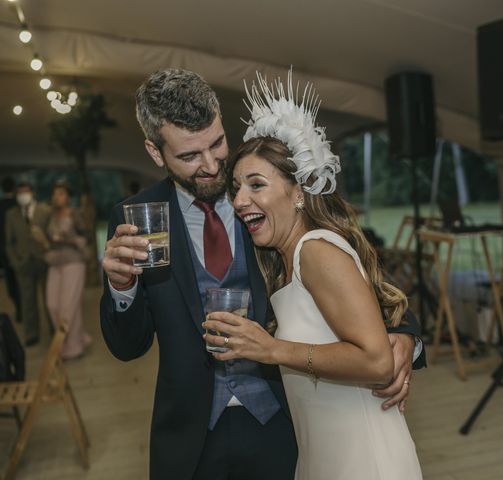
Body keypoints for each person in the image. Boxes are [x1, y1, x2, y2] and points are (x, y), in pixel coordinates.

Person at [100, 68, 424, 480]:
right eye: (188, 156)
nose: (211, 165)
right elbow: (128, 346)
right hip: (191, 436)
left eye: (217, 143)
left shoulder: (266, 197)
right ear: (154, 151)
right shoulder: (138, 221)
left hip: (285, 423)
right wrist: (121, 287)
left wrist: (403, 337)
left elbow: (360, 277)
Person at [204, 72, 423, 479]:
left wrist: (271, 350)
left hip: (360, 457)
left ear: (299, 191)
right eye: (235, 188)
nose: (239, 200)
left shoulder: (316, 250)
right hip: (322, 449)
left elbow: (376, 361)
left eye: (256, 184)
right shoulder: (281, 257)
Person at [44, 182, 92, 359]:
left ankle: (73, 346)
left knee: (68, 306)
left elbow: (86, 237)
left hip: (73, 261)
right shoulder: (51, 216)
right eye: (55, 194)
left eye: (61, 194)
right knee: (52, 304)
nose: (57, 197)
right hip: (55, 262)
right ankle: (74, 338)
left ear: (68, 197)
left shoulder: (75, 214)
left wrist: (68, 239)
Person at [5, 181, 50, 346]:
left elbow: (51, 234)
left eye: (26, 191)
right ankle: (31, 334)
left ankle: (54, 328)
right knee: (27, 299)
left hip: (44, 260)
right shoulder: (11, 214)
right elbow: (9, 242)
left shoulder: (44, 210)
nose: (23, 195)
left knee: (49, 298)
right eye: (20, 192)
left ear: (32, 193)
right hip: (23, 263)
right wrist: (15, 262)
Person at [0, 176, 20, 322]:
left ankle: (19, 309)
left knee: (12, 282)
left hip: (4, 251)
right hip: (20, 251)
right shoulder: (17, 206)